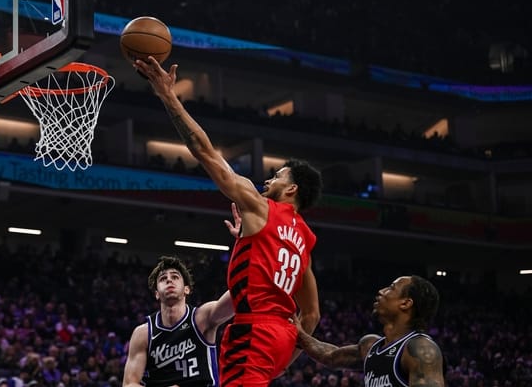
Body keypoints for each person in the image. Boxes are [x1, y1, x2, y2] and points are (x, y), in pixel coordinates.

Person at [135, 57, 323, 386]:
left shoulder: (260, 206)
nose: (269, 180)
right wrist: (283, 361)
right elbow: (312, 314)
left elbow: (206, 152)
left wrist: (168, 95)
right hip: (281, 335)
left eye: (278, 176)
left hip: (255, 331)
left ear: (291, 189)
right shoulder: (305, 238)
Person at [293, 275, 445, 387]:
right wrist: (299, 334)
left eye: (391, 288)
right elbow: (330, 356)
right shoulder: (370, 346)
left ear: (405, 303)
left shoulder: (421, 349)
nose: (381, 291)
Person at [123, 255, 234, 387]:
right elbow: (129, 383)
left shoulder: (202, 318)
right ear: (157, 293)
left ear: (186, 289)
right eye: (163, 279)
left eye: (175, 277)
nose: (169, 280)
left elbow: (239, 295)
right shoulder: (143, 333)